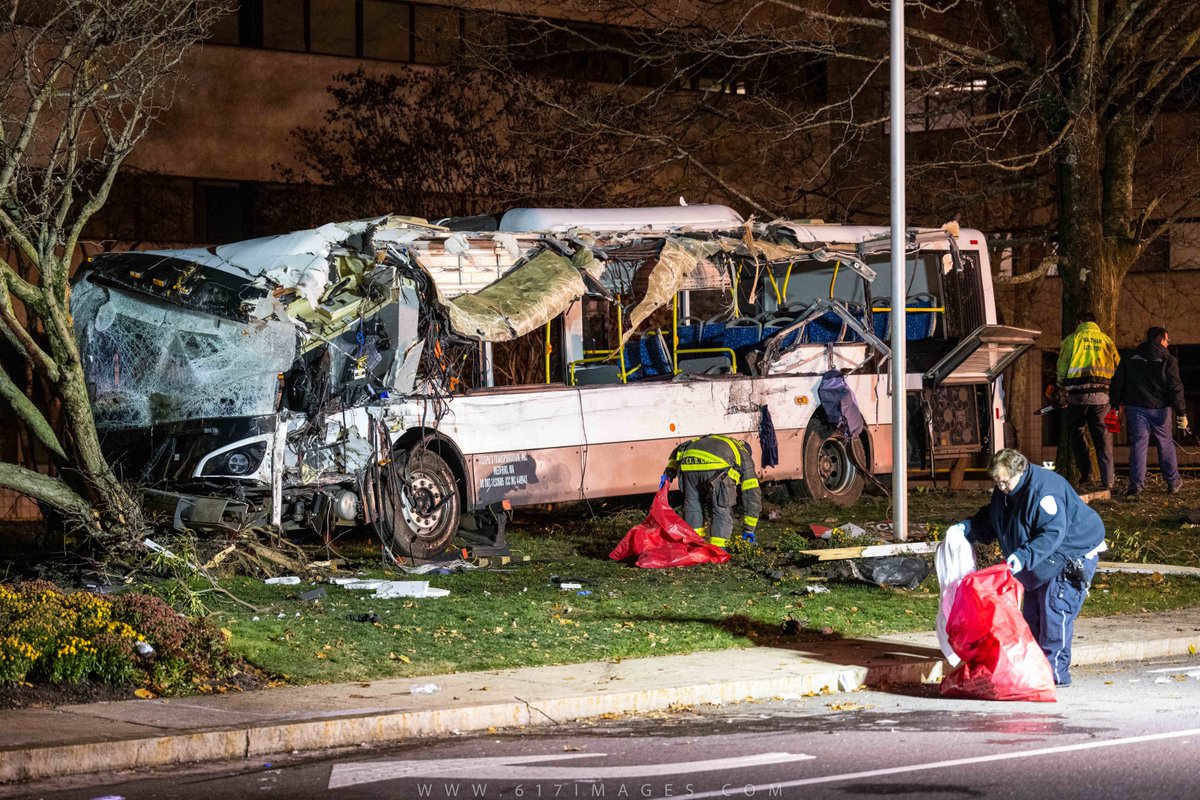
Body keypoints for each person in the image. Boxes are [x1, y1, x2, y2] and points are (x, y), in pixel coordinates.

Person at [945, 449, 1106, 687]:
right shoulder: (1007, 491)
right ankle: (1036, 669)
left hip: (1071, 551)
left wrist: (1023, 556)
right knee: (1033, 616)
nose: (1001, 487)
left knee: (1055, 611)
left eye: (1004, 482)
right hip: (1042, 557)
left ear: (1019, 471)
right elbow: (995, 519)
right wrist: (969, 528)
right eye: (997, 483)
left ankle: (1054, 674)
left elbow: (1051, 532)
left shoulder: (1043, 491)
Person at [1110, 326, 1187, 498]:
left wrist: (1114, 405)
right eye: (1167, 340)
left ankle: (1136, 486)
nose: (1168, 344)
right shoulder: (1168, 359)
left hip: (1136, 408)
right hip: (1160, 410)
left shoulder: (1130, 357)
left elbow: (1118, 382)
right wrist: (1181, 412)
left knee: (1138, 446)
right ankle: (1173, 482)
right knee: (1165, 444)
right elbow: (1175, 388)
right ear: (1161, 340)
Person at [660, 434, 762, 549]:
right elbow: (752, 493)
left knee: (693, 505)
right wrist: (749, 529)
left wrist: (669, 472)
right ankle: (718, 550)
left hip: (688, 466)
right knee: (721, 507)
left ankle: (694, 546)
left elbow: (680, 449)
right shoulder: (744, 454)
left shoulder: (712, 439)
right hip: (716, 468)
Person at [1056, 312, 1120, 489]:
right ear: (1095, 323)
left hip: (1076, 397)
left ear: (1079, 322)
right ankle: (1108, 480)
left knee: (1077, 434)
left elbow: (1062, 366)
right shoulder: (1107, 341)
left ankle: (1086, 475)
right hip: (1101, 398)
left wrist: (1061, 385)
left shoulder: (1072, 339)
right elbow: (1117, 365)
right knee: (1103, 439)